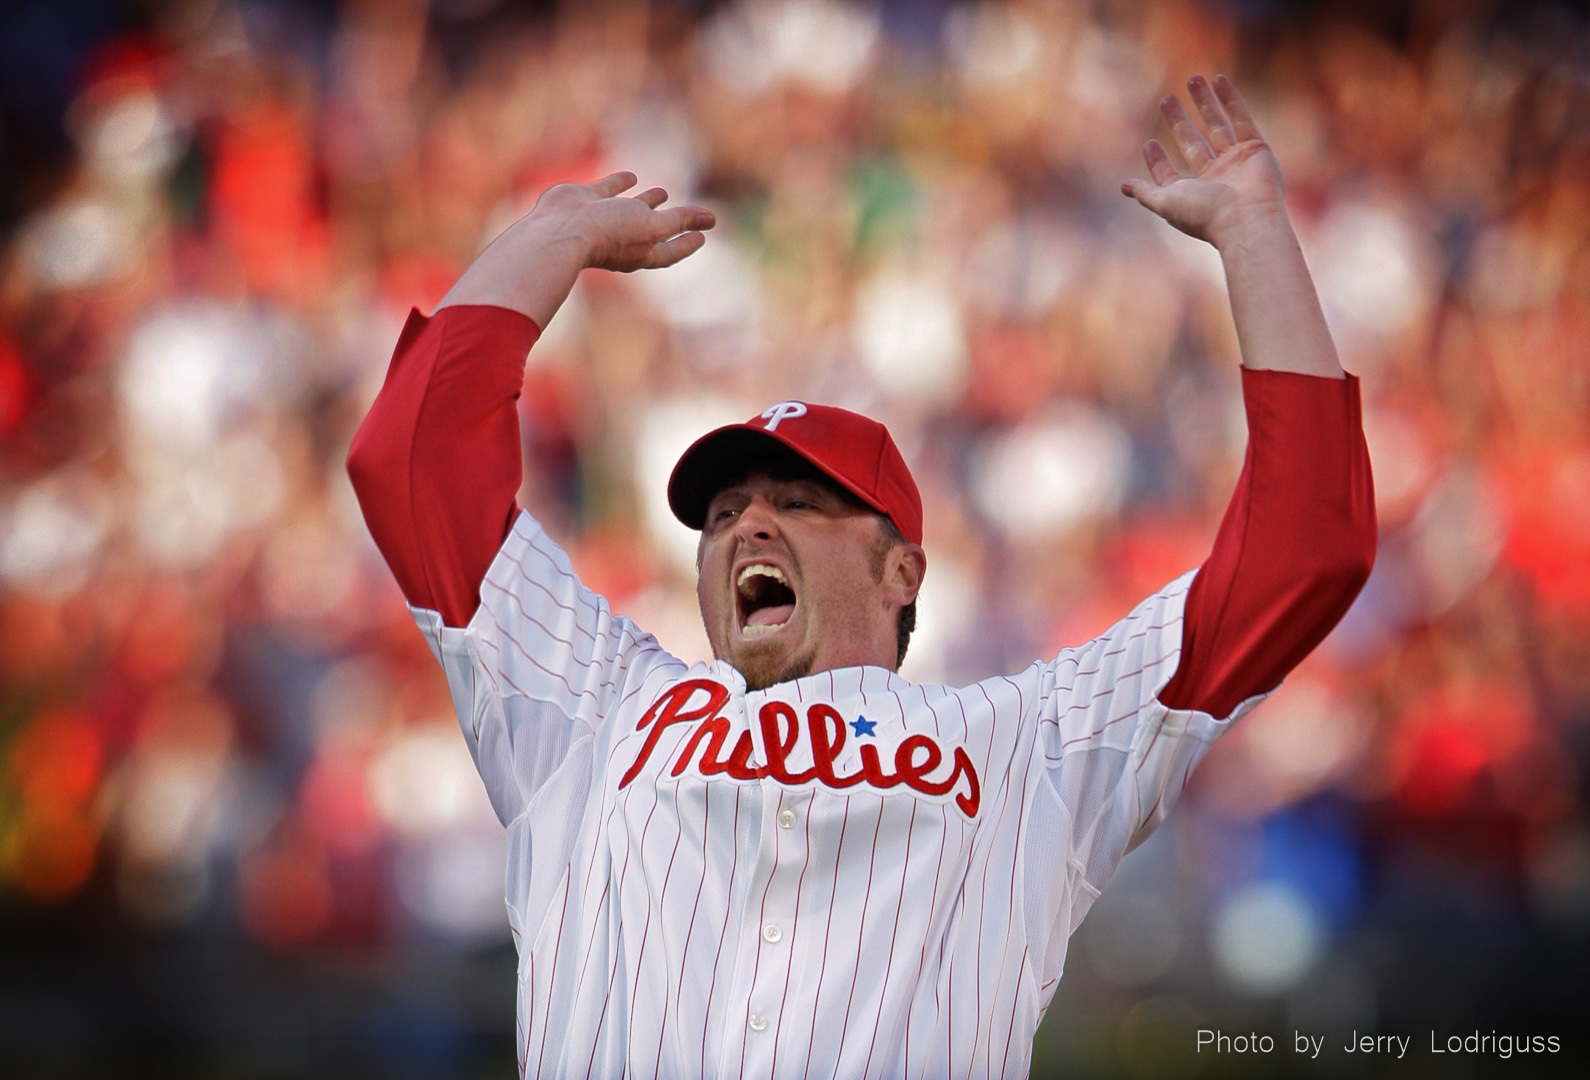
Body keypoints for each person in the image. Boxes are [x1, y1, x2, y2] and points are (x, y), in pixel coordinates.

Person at [347, 74, 1374, 1079]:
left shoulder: (1025, 745)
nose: (748, 522)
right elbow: (412, 459)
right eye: (720, 514)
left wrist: (1254, 235)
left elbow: (1303, 550)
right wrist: (551, 237)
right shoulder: (594, 706)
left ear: (902, 570)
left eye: (798, 504)